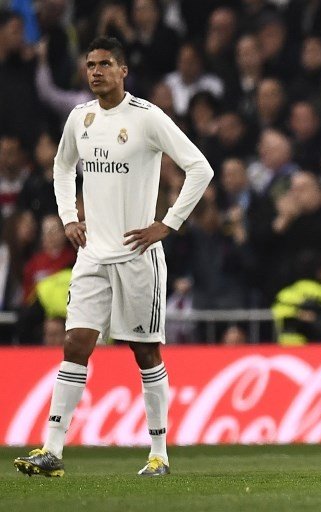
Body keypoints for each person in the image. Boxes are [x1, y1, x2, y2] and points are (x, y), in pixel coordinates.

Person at [13, 37, 214, 477]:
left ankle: (159, 454)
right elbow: (62, 167)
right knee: (74, 345)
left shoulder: (147, 118)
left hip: (138, 255)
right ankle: (52, 451)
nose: (96, 71)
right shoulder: (79, 118)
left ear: (123, 71)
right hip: (90, 256)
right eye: (90, 65)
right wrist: (68, 217)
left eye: (105, 64)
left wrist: (169, 223)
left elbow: (200, 167)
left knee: (145, 353)